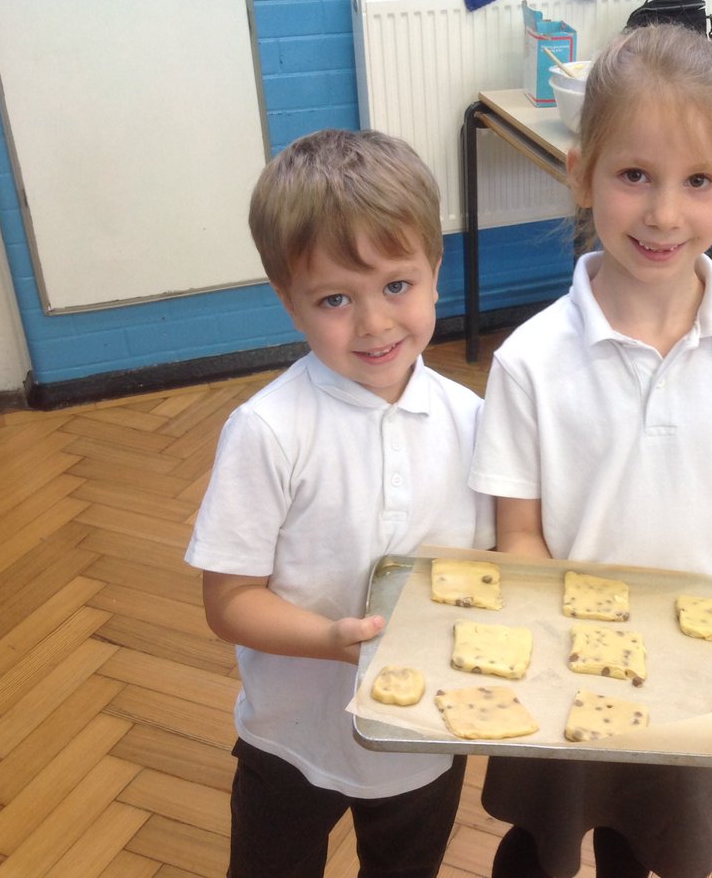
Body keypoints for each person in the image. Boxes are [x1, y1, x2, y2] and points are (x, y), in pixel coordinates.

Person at [467, 24, 712, 878]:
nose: (665, 213)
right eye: (635, 175)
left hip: (699, 675)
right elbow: (517, 536)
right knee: (542, 846)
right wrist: (554, 638)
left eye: (697, 181)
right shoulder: (529, 359)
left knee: (658, 849)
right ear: (580, 172)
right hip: (569, 672)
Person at [186, 128, 494, 878]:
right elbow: (229, 602)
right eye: (334, 298)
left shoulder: (475, 420)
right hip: (290, 734)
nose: (375, 323)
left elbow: (492, 571)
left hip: (421, 736)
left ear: (435, 270)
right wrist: (334, 640)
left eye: (397, 285)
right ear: (288, 302)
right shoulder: (267, 431)